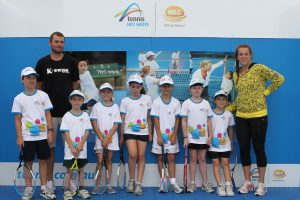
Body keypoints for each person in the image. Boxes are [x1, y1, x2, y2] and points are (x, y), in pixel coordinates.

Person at [227, 44, 285, 196]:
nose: (244, 56)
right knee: (244, 149)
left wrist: (265, 92)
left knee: (259, 148)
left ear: (251, 55)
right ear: (237, 57)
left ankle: (261, 184)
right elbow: (240, 98)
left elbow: (279, 79)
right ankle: (247, 182)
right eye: (241, 54)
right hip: (240, 117)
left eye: (246, 54)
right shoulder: (236, 74)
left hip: (259, 116)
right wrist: (227, 110)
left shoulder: (259, 68)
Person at [35, 31, 80, 192]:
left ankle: (69, 183)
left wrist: (71, 105)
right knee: (50, 151)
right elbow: (38, 86)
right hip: (49, 115)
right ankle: (49, 182)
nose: (59, 44)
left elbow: (75, 84)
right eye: (56, 41)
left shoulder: (71, 62)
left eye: (61, 42)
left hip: (69, 115)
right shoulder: (42, 63)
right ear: (50, 43)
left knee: (71, 149)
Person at [12, 67, 56, 200]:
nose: (32, 80)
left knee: (43, 162)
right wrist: (20, 137)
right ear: (22, 80)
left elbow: (48, 114)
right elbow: (18, 119)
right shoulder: (18, 99)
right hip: (27, 138)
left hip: (43, 136)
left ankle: (43, 189)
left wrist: (50, 131)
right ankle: (29, 189)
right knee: (28, 163)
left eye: (33, 77)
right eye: (28, 77)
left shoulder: (43, 95)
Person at [120, 74, 152, 196]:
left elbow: (149, 117)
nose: (135, 89)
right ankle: (131, 180)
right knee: (132, 154)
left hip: (143, 132)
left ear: (141, 87)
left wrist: (150, 132)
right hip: (129, 132)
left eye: (137, 87)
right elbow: (122, 119)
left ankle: (138, 184)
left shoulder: (147, 99)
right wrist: (121, 136)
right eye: (133, 86)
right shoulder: (125, 101)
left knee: (141, 156)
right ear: (129, 87)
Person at [150, 75, 183, 194]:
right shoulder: (156, 102)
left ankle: (173, 183)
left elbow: (178, 119)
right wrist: (158, 136)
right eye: (164, 86)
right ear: (160, 87)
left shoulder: (176, 102)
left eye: (168, 86)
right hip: (158, 136)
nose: (166, 88)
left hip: (171, 136)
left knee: (171, 158)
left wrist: (174, 135)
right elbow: (155, 120)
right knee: (160, 158)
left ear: (171, 87)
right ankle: (163, 182)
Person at [180, 78, 214, 193]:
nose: (196, 90)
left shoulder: (206, 103)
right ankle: (192, 183)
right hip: (191, 139)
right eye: (194, 88)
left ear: (202, 89)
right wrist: (185, 137)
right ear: (190, 90)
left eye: (199, 88)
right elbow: (183, 121)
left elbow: (209, 121)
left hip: (204, 139)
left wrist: (210, 136)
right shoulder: (186, 103)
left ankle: (205, 183)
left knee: (202, 159)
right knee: (193, 159)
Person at [90, 83, 122, 194]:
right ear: (100, 93)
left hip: (111, 139)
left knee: (109, 160)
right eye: (103, 91)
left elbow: (116, 124)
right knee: (99, 161)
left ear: (111, 93)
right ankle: (96, 185)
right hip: (100, 139)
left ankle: (108, 185)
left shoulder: (115, 107)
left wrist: (108, 138)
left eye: (108, 92)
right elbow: (94, 124)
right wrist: (102, 138)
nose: (106, 94)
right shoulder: (96, 107)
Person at [60, 90, 92, 200]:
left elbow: (87, 131)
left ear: (83, 101)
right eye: (74, 99)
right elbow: (66, 132)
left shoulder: (86, 115)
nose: (77, 102)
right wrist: (72, 147)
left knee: (81, 170)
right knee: (69, 170)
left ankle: (81, 189)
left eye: (79, 99)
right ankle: (67, 190)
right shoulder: (67, 116)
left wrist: (80, 145)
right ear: (70, 100)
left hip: (81, 149)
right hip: (70, 150)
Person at [208, 90, 235, 197]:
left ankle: (228, 185)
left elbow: (230, 130)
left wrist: (231, 143)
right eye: (219, 99)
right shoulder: (210, 114)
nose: (221, 101)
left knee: (225, 164)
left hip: (226, 145)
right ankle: (220, 186)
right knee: (215, 164)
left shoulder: (229, 115)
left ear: (227, 101)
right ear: (214, 100)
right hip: (213, 146)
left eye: (223, 99)